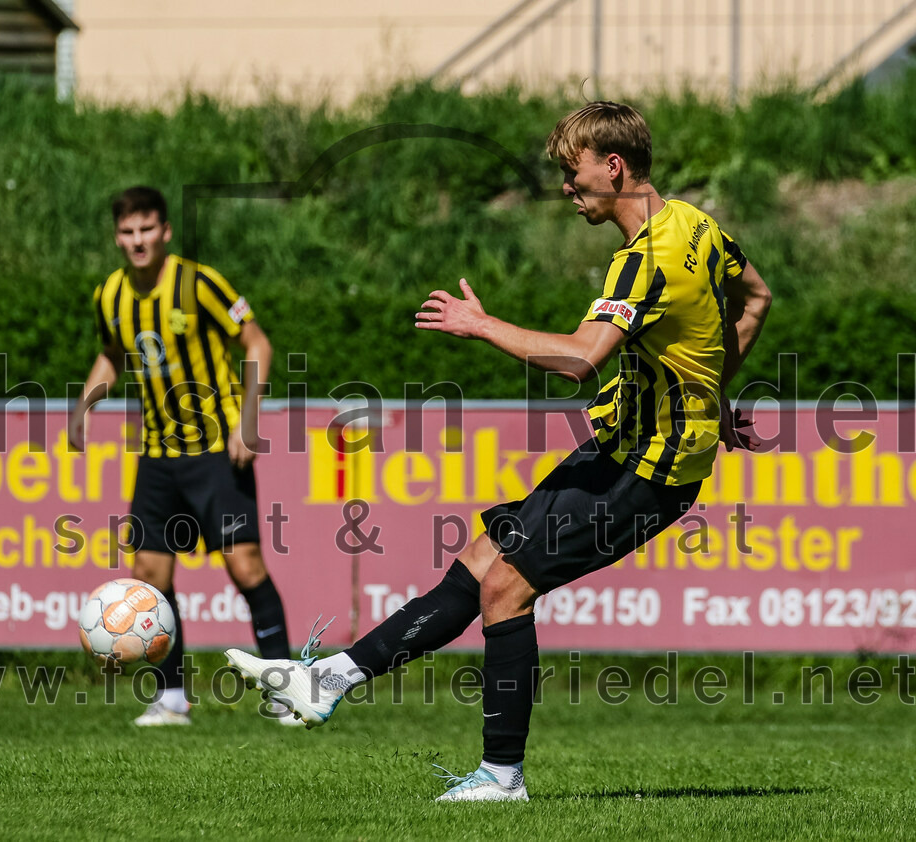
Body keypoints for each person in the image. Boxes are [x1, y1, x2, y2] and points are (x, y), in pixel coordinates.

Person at [225, 102, 773, 796]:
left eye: (574, 177)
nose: (567, 192)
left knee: (507, 588)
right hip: (625, 448)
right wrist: (711, 391)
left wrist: (481, 325)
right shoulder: (695, 224)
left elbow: (581, 359)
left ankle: (501, 775)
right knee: (481, 559)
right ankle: (329, 678)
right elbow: (755, 297)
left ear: (615, 166)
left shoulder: (644, 264)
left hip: (649, 472)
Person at [69, 186, 297, 726]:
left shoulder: (199, 282)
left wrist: (248, 417)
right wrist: (83, 407)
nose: (137, 240)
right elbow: (110, 355)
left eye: (146, 229)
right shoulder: (110, 295)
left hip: (217, 450)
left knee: (245, 568)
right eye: (127, 232)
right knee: (149, 576)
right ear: (117, 237)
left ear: (165, 231)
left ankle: (288, 690)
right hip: (157, 456)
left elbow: (257, 344)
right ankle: (171, 697)